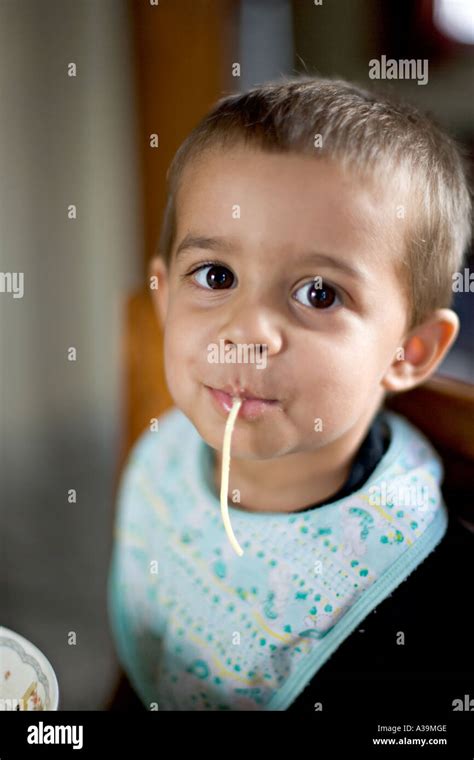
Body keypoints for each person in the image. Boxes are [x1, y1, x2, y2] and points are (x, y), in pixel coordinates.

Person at [107, 76, 473, 711]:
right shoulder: (161, 462)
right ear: (164, 300)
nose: (247, 331)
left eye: (319, 293)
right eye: (216, 275)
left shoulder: (420, 596)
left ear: (409, 352)